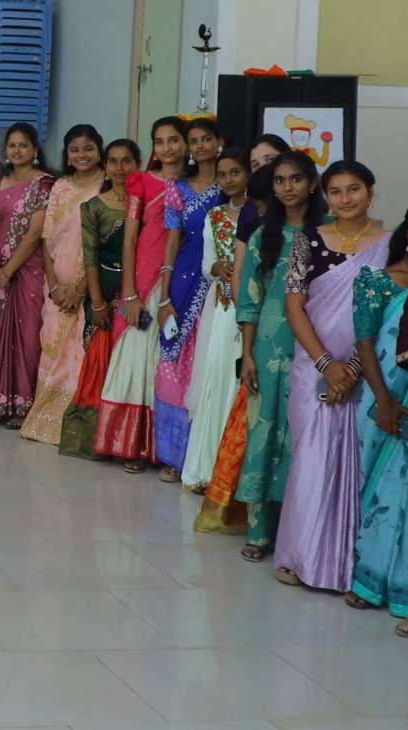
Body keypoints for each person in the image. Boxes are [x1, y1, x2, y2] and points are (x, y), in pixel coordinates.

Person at [275, 159, 390, 592]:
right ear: (326, 196)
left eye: (354, 189)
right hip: (314, 367)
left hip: (369, 368)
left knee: (359, 461)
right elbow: (294, 307)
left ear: (370, 192)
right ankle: (300, 556)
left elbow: (391, 310)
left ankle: (352, 562)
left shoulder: (391, 245)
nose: (345, 199)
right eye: (336, 191)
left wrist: (356, 368)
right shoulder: (308, 241)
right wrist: (327, 364)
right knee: (311, 457)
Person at [234, 151, 323, 561]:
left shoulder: (328, 233)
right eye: (280, 180)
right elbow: (249, 300)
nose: (288, 188)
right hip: (269, 346)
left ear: (312, 183)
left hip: (317, 344)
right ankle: (259, 532)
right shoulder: (263, 236)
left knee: (306, 434)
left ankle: (299, 530)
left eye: (296, 179)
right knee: (265, 430)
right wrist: (247, 354)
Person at [95, 116, 186, 473]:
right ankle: (130, 443)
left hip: (181, 277)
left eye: (173, 140)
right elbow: (130, 239)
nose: (166, 148)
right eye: (159, 141)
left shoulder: (194, 185)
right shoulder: (142, 182)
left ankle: (166, 451)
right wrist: (130, 294)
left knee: (171, 360)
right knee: (135, 355)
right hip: (143, 277)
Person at [345, 204, 408, 634]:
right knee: (379, 487)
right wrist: (385, 401)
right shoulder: (377, 281)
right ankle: (369, 577)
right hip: (381, 397)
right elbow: (366, 342)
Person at [22, 124, 106, 444]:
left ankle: (76, 422)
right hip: (57, 284)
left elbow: (105, 242)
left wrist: (81, 288)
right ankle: (45, 420)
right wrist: (55, 286)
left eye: (88, 148)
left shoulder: (107, 185)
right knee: (53, 346)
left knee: (81, 351)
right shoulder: (59, 186)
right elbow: (47, 239)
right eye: (74, 149)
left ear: (99, 150)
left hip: (92, 283)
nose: (81, 155)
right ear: (67, 155)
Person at [154, 116, 225, 480]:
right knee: (174, 362)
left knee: (207, 363)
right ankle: (172, 454)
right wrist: (164, 296)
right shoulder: (177, 189)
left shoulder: (230, 185)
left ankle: (203, 455)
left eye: (205, 139)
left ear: (219, 141)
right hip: (183, 281)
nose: (199, 146)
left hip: (219, 286)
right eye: (193, 140)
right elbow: (172, 242)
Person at [57, 138, 138, 459]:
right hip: (103, 290)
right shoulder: (94, 206)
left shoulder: (147, 202)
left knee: (132, 363)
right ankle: (95, 439)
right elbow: (90, 257)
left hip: (138, 290)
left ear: (137, 163)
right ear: (105, 165)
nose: (120, 168)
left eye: (127, 161)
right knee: (100, 362)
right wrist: (98, 302)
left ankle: (126, 440)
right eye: (113, 161)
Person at [182, 149, 250, 494]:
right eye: (222, 175)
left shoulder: (264, 214)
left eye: (235, 172)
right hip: (224, 310)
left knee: (242, 385)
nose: (228, 180)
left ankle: (239, 473)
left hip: (255, 308)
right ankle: (209, 469)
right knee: (220, 380)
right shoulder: (216, 216)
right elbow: (207, 265)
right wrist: (218, 268)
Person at [0, 123, 53, 426]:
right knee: (2, 334)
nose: (17, 150)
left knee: (28, 336)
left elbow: (36, 232)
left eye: (23, 145)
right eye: (12, 145)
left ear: (34, 149)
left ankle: (26, 406)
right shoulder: (0, 180)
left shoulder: (44, 183)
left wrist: (8, 270)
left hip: (29, 270)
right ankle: (1, 401)